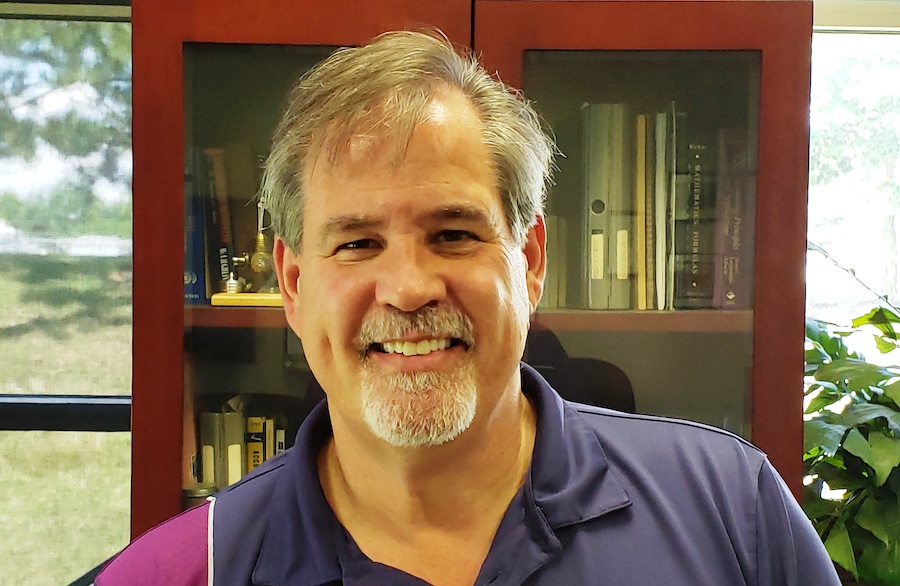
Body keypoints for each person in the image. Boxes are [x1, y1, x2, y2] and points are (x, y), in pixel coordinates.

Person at [97, 30, 840, 586]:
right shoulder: (181, 571)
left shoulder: (731, 514)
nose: (409, 288)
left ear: (532, 260)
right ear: (292, 284)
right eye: (357, 244)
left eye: (453, 234)